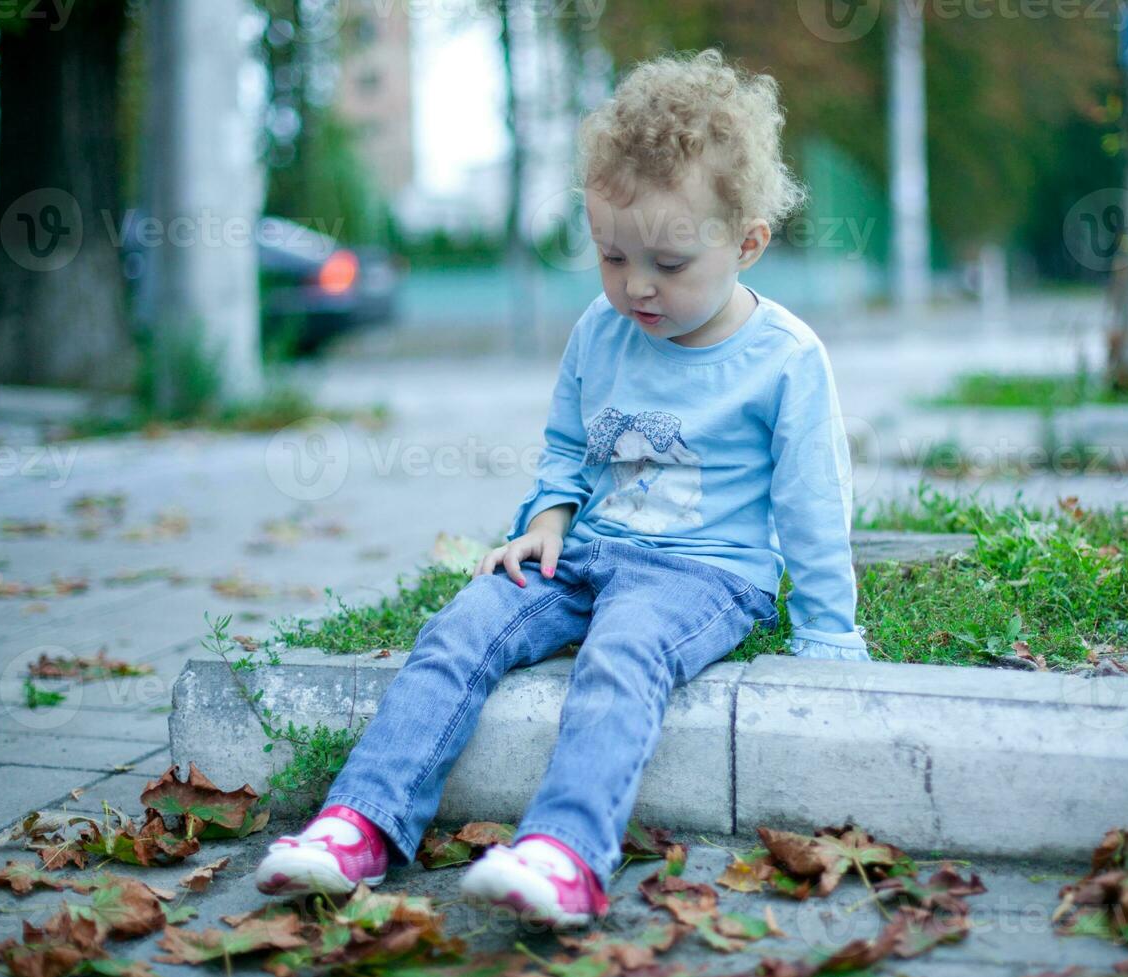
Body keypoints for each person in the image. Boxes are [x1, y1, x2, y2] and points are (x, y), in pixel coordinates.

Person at [254, 47, 868, 929]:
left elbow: (813, 508)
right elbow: (568, 444)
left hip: (705, 576)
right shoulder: (601, 328)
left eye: (667, 261)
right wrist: (547, 515)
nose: (636, 286)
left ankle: (568, 852)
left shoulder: (785, 360)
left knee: (621, 652)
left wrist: (827, 637)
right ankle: (357, 826)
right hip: (588, 553)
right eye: (612, 257)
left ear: (747, 243)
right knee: (463, 622)